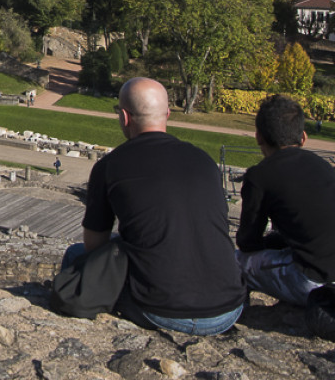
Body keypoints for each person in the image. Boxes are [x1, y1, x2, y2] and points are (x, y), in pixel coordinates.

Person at [63, 77, 245, 335]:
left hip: (163, 310)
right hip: (229, 308)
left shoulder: (110, 166)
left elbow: (94, 246)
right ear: (167, 114)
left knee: (75, 254)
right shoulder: (204, 161)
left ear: (125, 117)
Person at [236, 95, 335, 307]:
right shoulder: (323, 166)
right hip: (328, 268)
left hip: (315, 283)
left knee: (235, 262)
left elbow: (247, 242)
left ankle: (234, 309)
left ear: (258, 137)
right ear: (303, 137)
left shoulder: (259, 176)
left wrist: (269, 244)